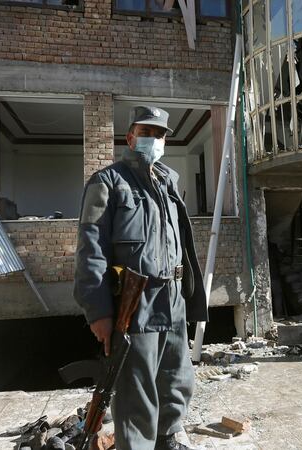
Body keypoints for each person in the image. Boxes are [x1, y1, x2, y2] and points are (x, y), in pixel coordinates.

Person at [74, 105, 207, 450]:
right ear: (130, 137)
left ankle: (169, 437)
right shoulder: (107, 183)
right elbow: (91, 250)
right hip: (137, 302)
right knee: (136, 390)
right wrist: (99, 312)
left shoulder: (168, 182)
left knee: (176, 377)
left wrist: (190, 298)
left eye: (160, 134)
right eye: (146, 132)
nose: (154, 139)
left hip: (174, 298)